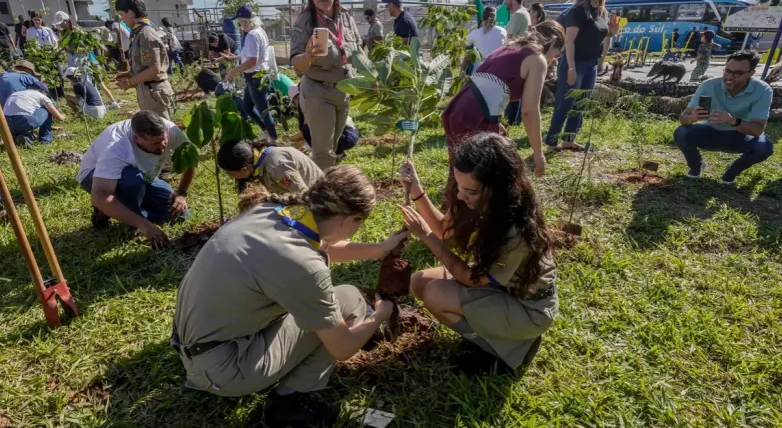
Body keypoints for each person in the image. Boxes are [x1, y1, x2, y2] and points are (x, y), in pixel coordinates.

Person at [172, 165, 407, 426]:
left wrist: (381, 249)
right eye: (360, 224)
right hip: (225, 370)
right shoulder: (302, 265)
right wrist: (380, 316)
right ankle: (290, 400)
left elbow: (321, 248)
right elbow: (342, 348)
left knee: (323, 308)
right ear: (350, 219)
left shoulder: (267, 212)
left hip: (199, 347)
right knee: (349, 299)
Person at [398, 132, 557, 375]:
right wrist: (418, 192)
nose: (460, 195)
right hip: (499, 287)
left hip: (527, 308)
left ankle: (502, 350)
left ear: (498, 188)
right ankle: (494, 333)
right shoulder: (474, 196)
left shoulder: (515, 230)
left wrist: (425, 236)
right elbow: (444, 230)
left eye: (469, 191)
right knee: (419, 283)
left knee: (435, 294)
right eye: (458, 186)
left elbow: (471, 278)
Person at [442, 21, 565, 181]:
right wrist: (538, 153)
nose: (551, 61)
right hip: (475, 116)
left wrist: (497, 122)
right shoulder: (537, 58)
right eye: (554, 55)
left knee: (460, 175)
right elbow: (529, 111)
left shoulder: (509, 48)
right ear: (552, 42)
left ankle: (451, 204)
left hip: (456, 109)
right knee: (484, 181)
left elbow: (485, 83)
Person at [76, 111, 197, 245]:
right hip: (96, 178)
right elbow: (99, 195)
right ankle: (130, 224)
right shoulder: (116, 149)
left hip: (143, 175)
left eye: (164, 139)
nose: (163, 145)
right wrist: (144, 226)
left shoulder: (170, 130)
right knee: (132, 181)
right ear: (136, 139)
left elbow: (190, 159)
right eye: (155, 143)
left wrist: (181, 193)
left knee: (178, 215)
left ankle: (120, 208)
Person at [290, 0, 363, 169]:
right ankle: (322, 194)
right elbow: (297, 64)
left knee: (336, 147)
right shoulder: (305, 21)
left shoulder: (346, 17)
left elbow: (359, 51)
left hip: (343, 90)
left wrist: (370, 77)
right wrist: (307, 56)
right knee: (323, 152)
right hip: (318, 91)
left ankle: (330, 183)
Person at [675, 51, 773, 185]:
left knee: (764, 147)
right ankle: (696, 165)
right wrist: (692, 118)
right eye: (727, 71)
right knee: (681, 132)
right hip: (710, 132)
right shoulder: (709, 85)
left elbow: (757, 130)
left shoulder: (762, 90)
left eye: (737, 73)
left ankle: (731, 171)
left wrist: (733, 121)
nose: (729, 77)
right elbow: (683, 118)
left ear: (751, 73)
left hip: (741, 136)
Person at [544, 0, 618, 152]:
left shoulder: (601, 12)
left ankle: (569, 140)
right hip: (575, 63)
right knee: (565, 103)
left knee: (581, 104)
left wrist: (612, 32)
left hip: (591, 64)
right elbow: (569, 42)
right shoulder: (577, 11)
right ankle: (551, 142)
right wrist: (571, 67)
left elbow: (604, 36)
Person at [115, 0, 174, 119]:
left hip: (154, 92)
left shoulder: (145, 34)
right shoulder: (138, 33)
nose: (122, 19)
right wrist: (130, 73)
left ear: (130, 13)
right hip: (147, 90)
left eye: (122, 14)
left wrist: (129, 82)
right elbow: (145, 65)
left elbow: (154, 69)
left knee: (161, 131)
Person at [225, 6, 277, 140]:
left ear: (245, 21)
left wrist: (232, 72)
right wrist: (235, 58)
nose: (239, 25)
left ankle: (274, 138)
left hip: (256, 76)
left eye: (240, 22)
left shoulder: (252, 36)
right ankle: (266, 131)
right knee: (247, 107)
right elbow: (252, 55)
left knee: (264, 111)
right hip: (256, 76)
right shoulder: (259, 31)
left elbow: (252, 61)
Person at [55, 11, 121, 110]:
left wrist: (71, 49)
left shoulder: (77, 32)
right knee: (76, 83)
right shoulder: (63, 33)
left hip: (83, 61)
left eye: (61, 22)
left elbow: (86, 48)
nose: (60, 25)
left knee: (93, 82)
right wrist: (58, 52)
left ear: (67, 21)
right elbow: (62, 46)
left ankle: (111, 102)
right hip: (73, 61)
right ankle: (85, 104)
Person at [218, 139, 324, 194]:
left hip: (319, 198)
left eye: (230, 173)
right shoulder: (258, 160)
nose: (232, 177)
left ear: (244, 169)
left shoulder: (276, 167)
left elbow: (305, 195)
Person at [284, 84, 359, 157]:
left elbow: (304, 134)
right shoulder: (319, 99)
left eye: (294, 102)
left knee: (307, 129)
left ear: (298, 97)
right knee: (310, 130)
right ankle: (338, 153)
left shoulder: (310, 106)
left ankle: (323, 155)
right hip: (351, 134)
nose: (295, 105)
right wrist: (296, 150)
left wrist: (289, 139)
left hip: (345, 137)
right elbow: (305, 136)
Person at [466, 6, 507, 71]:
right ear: (495, 18)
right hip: (498, 69)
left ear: (482, 18)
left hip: (479, 69)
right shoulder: (502, 31)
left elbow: (463, 44)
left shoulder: (475, 33)